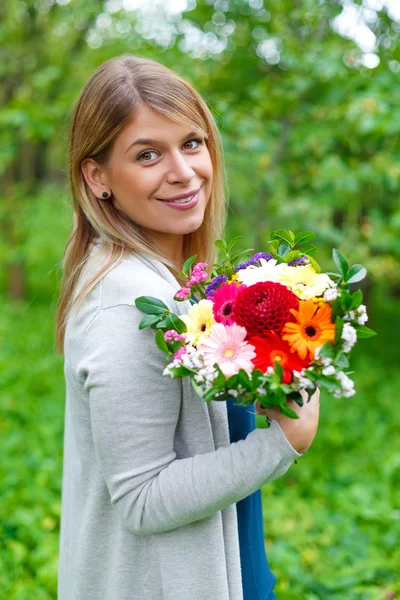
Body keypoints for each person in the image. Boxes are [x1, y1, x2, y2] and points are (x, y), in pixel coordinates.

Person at [55, 54, 320, 600]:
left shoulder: (176, 287)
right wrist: (286, 440)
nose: (182, 171)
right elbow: (143, 498)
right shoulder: (126, 305)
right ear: (97, 176)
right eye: (148, 154)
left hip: (227, 560)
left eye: (192, 143)